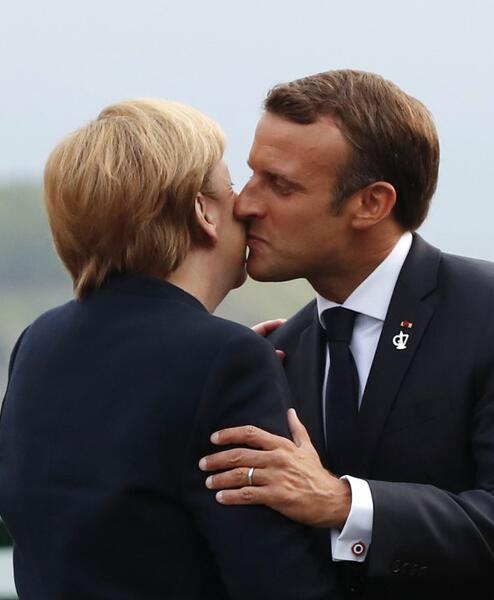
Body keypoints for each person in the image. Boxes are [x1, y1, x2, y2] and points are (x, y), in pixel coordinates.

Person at [199, 69, 494, 599]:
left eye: (281, 185)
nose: (246, 204)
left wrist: (343, 503)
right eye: (252, 176)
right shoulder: (275, 354)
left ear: (371, 204)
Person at [0, 99, 334, 599]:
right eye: (231, 188)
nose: (245, 204)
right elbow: (277, 580)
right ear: (203, 211)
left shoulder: (40, 340)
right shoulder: (227, 359)